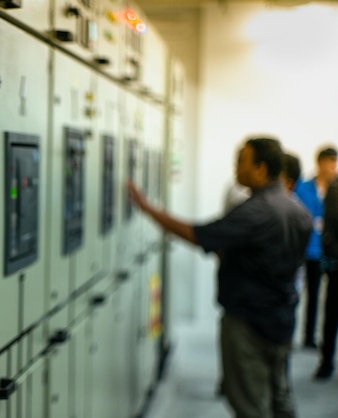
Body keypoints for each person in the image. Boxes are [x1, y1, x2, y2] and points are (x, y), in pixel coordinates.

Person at [127, 137, 312, 417]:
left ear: (261, 168)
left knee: (249, 403)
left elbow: (199, 234)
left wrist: (147, 208)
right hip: (282, 317)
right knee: (279, 396)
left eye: (241, 160)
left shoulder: (256, 211)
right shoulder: (298, 211)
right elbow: (268, 255)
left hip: (248, 323)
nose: (235, 166)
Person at [295, 147, 338, 348]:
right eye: (330, 162)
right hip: (308, 249)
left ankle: (324, 339)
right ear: (319, 162)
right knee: (309, 294)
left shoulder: (335, 189)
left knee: (329, 300)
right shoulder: (303, 188)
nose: (333, 167)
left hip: (329, 251)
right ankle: (308, 336)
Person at [316, 173, 338, 379]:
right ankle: (326, 363)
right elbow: (330, 224)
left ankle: (326, 363)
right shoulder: (334, 189)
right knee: (331, 315)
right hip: (336, 264)